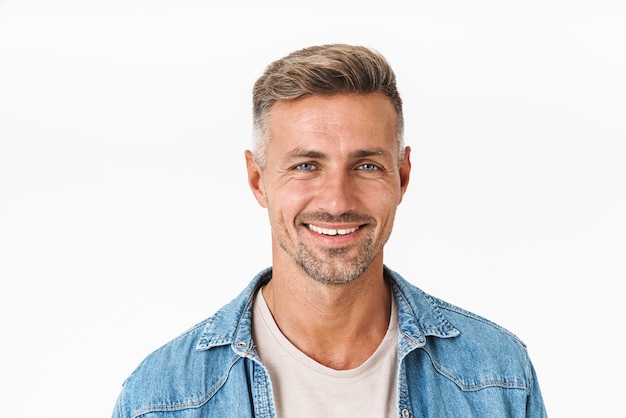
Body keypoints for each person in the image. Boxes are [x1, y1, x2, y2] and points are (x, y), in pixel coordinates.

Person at [112, 43, 547, 417]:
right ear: (258, 179)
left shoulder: (499, 377)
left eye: (366, 166)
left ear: (402, 177)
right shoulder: (162, 400)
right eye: (306, 166)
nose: (337, 201)